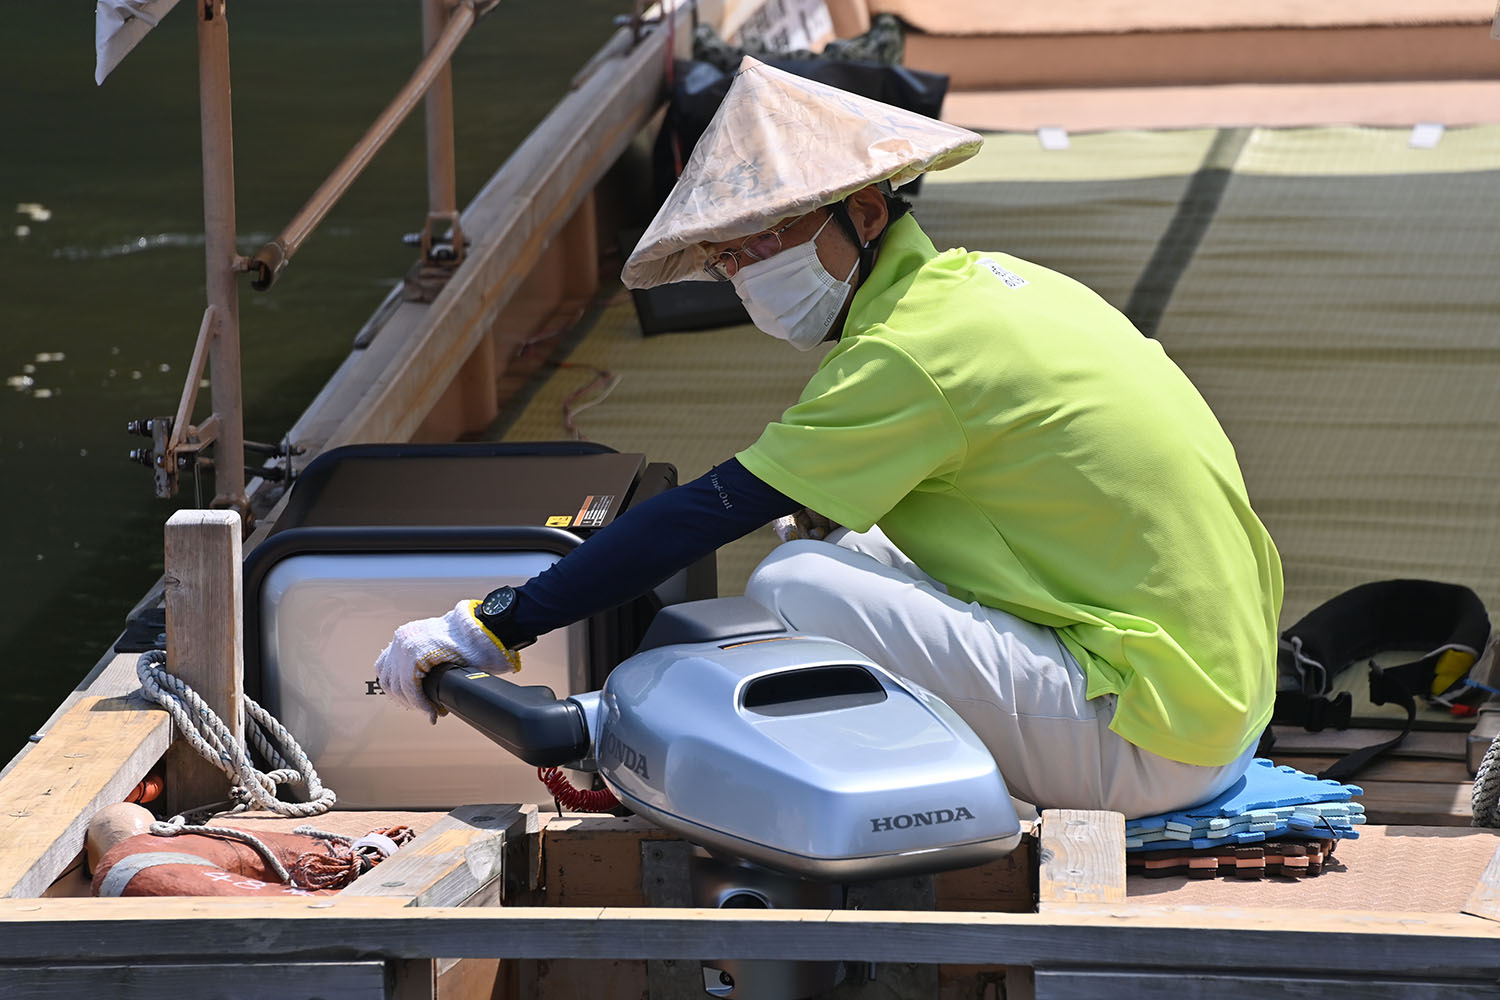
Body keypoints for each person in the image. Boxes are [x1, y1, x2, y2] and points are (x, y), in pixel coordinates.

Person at [375, 58, 1283, 818]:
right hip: (1216, 704)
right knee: (854, 543)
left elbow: (705, 512)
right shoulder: (997, 286)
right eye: (727, 254)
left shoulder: (909, 355)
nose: (744, 270)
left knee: (795, 579)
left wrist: (492, 624)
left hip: (1152, 744)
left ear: (871, 215)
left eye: (767, 237)